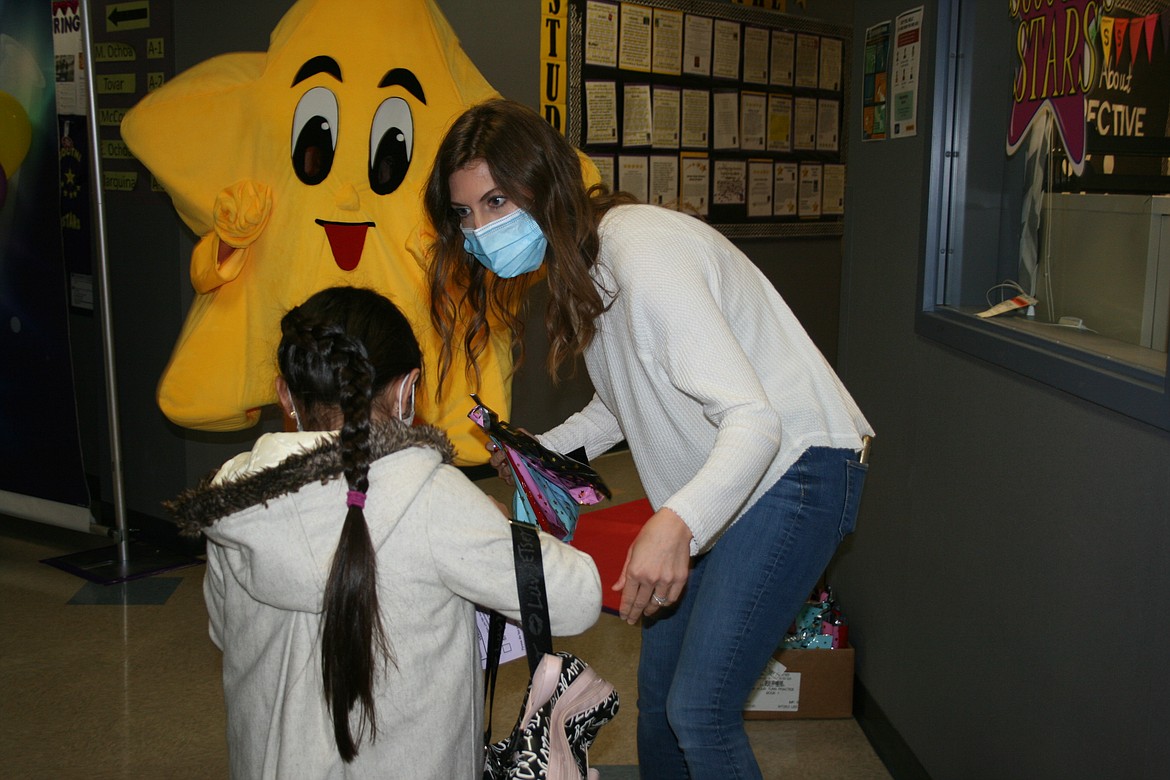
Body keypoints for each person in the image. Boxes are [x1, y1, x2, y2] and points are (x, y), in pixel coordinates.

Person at [425, 99, 874, 779]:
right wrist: (540, 453)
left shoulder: (639, 250)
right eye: (465, 213)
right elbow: (622, 403)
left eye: (496, 201)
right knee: (661, 710)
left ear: (545, 182)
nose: (481, 230)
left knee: (700, 712)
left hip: (797, 469)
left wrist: (675, 522)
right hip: (731, 481)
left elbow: (755, 419)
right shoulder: (587, 265)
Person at [166, 285, 602, 779]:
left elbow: (224, 632)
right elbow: (577, 597)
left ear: (285, 394)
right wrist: (502, 527)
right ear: (406, 390)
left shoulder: (234, 495)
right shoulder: (435, 498)